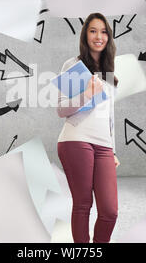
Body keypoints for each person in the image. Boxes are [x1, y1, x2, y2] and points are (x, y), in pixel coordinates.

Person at [56, 12, 120, 243]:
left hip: (103, 145)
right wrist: (87, 94)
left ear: (109, 37)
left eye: (103, 31)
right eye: (93, 31)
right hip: (76, 139)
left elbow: (110, 116)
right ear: (85, 35)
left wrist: (112, 150)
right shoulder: (73, 65)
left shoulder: (109, 70)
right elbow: (61, 109)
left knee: (109, 211)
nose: (98, 36)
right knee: (83, 204)